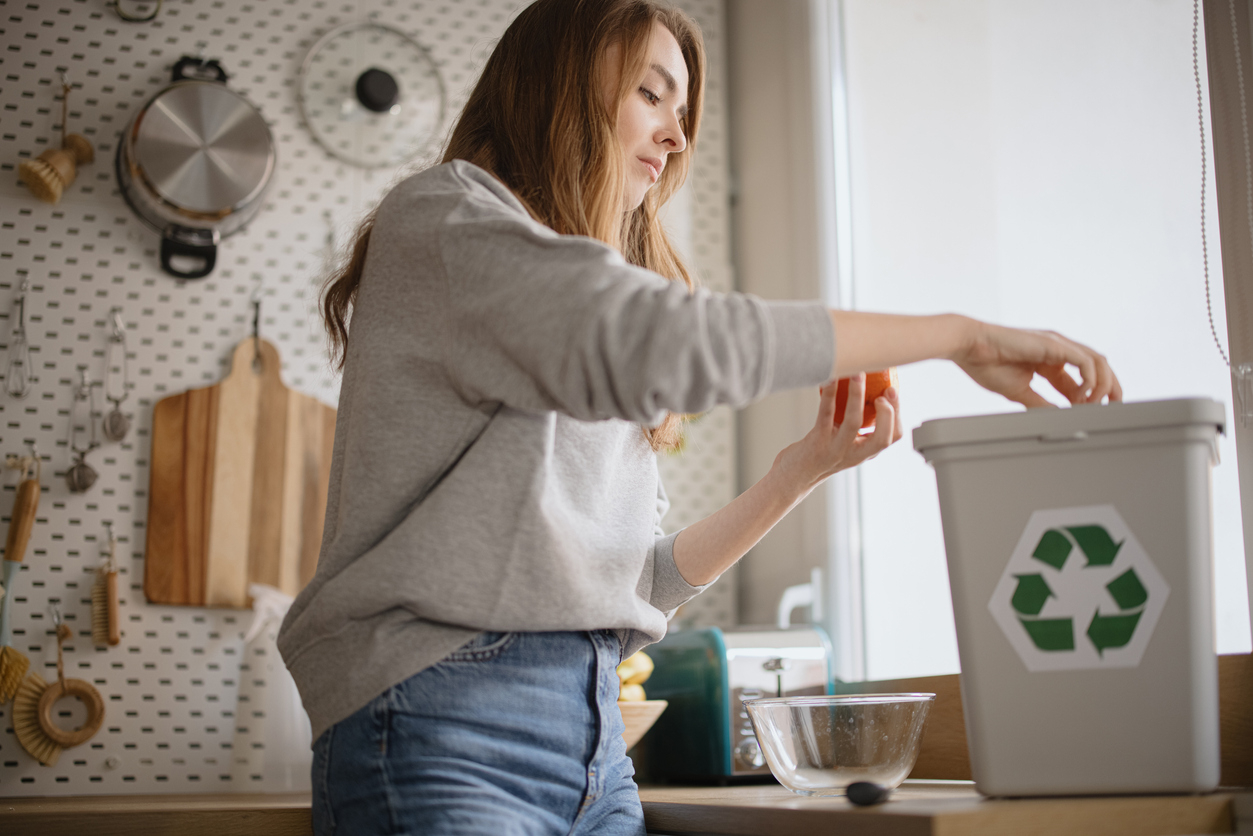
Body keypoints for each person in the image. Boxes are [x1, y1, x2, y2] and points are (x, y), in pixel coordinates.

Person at [276, 1, 1122, 834]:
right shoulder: (446, 216)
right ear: (559, 85)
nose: (677, 137)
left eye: (682, 111)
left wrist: (801, 472)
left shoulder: (576, 309)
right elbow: (666, 339)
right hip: (438, 721)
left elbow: (634, 579)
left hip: (597, 750)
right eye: (652, 94)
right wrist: (957, 336)